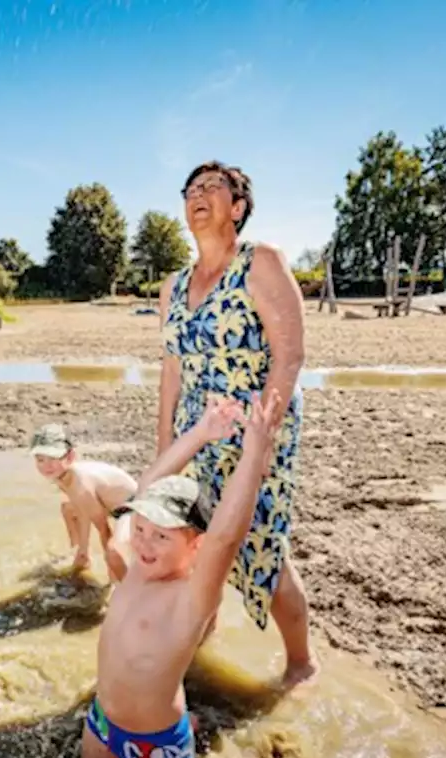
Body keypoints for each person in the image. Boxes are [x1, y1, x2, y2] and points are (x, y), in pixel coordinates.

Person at [82, 390, 282, 758]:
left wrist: (254, 454)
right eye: (141, 529)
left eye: (161, 537)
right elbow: (148, 482)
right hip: (102, 720)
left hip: (154, 743)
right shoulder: (136, 568)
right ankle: (191, 721)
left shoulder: (191, 597)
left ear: (194, 546)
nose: (144, 543)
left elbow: (226, 535)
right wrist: (202, 432)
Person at [156, 160, 316, 688]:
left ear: (238, 207)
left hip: (253, 435)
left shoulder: (260, 262)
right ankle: (202, 634)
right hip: (194, 436)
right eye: (191, 189)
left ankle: (300, 662)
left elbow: (289, 355)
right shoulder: (172, 287)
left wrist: (261, 439)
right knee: (195, 544)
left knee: (260, 550)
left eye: (211, 188)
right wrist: (166, 446)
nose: (197, 195)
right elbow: (172, 368)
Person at [29, 423, 136, 581]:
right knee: (67, 508)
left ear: (70, 457)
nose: (47, 466)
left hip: (133, 508)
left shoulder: (81, 483)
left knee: (113, 549)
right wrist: (83, 548)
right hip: (107, 501)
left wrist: (110, 574)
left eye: (53, 458)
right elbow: (82, 510)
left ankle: (121, 586)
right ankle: (78, 553)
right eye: (40, 460)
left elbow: (104, 529)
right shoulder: (62, 475)